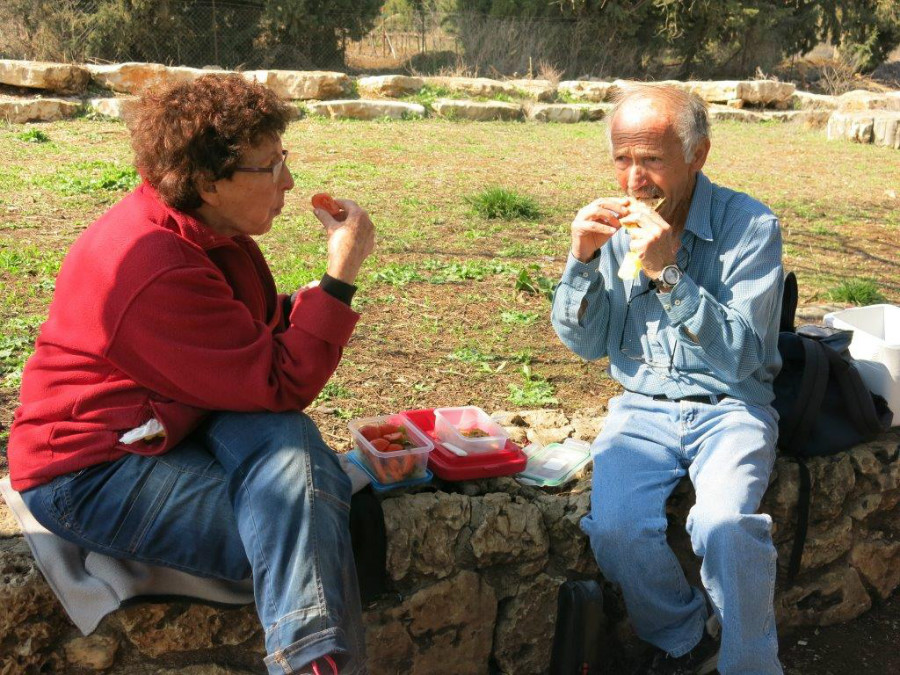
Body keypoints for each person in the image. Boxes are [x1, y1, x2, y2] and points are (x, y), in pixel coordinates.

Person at [7, 74, 374, 675]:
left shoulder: (208, 233)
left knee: (291, 446)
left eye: (284, 159)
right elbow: (282, 379)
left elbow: (243, 337)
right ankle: (314, 664)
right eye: (269, 166)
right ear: (208, 182)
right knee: (317, 526)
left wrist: (302, 309)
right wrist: (338, 279)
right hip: (91, 474)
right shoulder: (151, 263)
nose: (288, 181)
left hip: (172, 421)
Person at [551, 82, 784, 675]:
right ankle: (685, 639)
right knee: (616, 529)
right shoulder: (616, 227)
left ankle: (750, 665)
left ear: (697, 154)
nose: (634, 180)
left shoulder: (751, 226)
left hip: (731, 407)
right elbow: (586, 344)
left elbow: (744, 359)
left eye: (652, 159)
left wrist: (669, 273)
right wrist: (580, 261)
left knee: (725, 524)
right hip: (641, 407)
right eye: (623, 159)